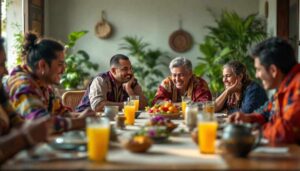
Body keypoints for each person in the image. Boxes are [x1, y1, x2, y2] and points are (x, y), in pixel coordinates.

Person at [4, 33, 93, 133]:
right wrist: (79, 121)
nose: (64, 70)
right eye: (60, 64)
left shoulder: (43, 84)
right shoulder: (21, 85)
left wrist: (85, 116)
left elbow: (62, 113)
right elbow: (39, 123)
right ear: (42, 65)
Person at [228, 37, 300, 145]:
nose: (256, 75)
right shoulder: (284, 84)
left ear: (273, 70)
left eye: (258, 69)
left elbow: (286, 132)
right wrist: (247, 118)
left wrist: (256, 133)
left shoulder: (297, 85)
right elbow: (266, 112)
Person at [0, 37, 49, 164]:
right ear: (42, 65)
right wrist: (25, 137)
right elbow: (38, 120)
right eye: (0, 65)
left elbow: (18, 124)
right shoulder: (22, 83)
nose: (5, 71)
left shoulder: (44, 86)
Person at [76, 54, 147, 112]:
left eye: (130, 68)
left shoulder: (131, 81)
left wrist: (129, 90)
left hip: (112, 119)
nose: (130, 72)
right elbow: (98, 106)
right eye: (125, 69)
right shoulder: (101, 80)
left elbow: (144, 105)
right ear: (113, 71)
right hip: (86, 120)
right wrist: (129, 105)